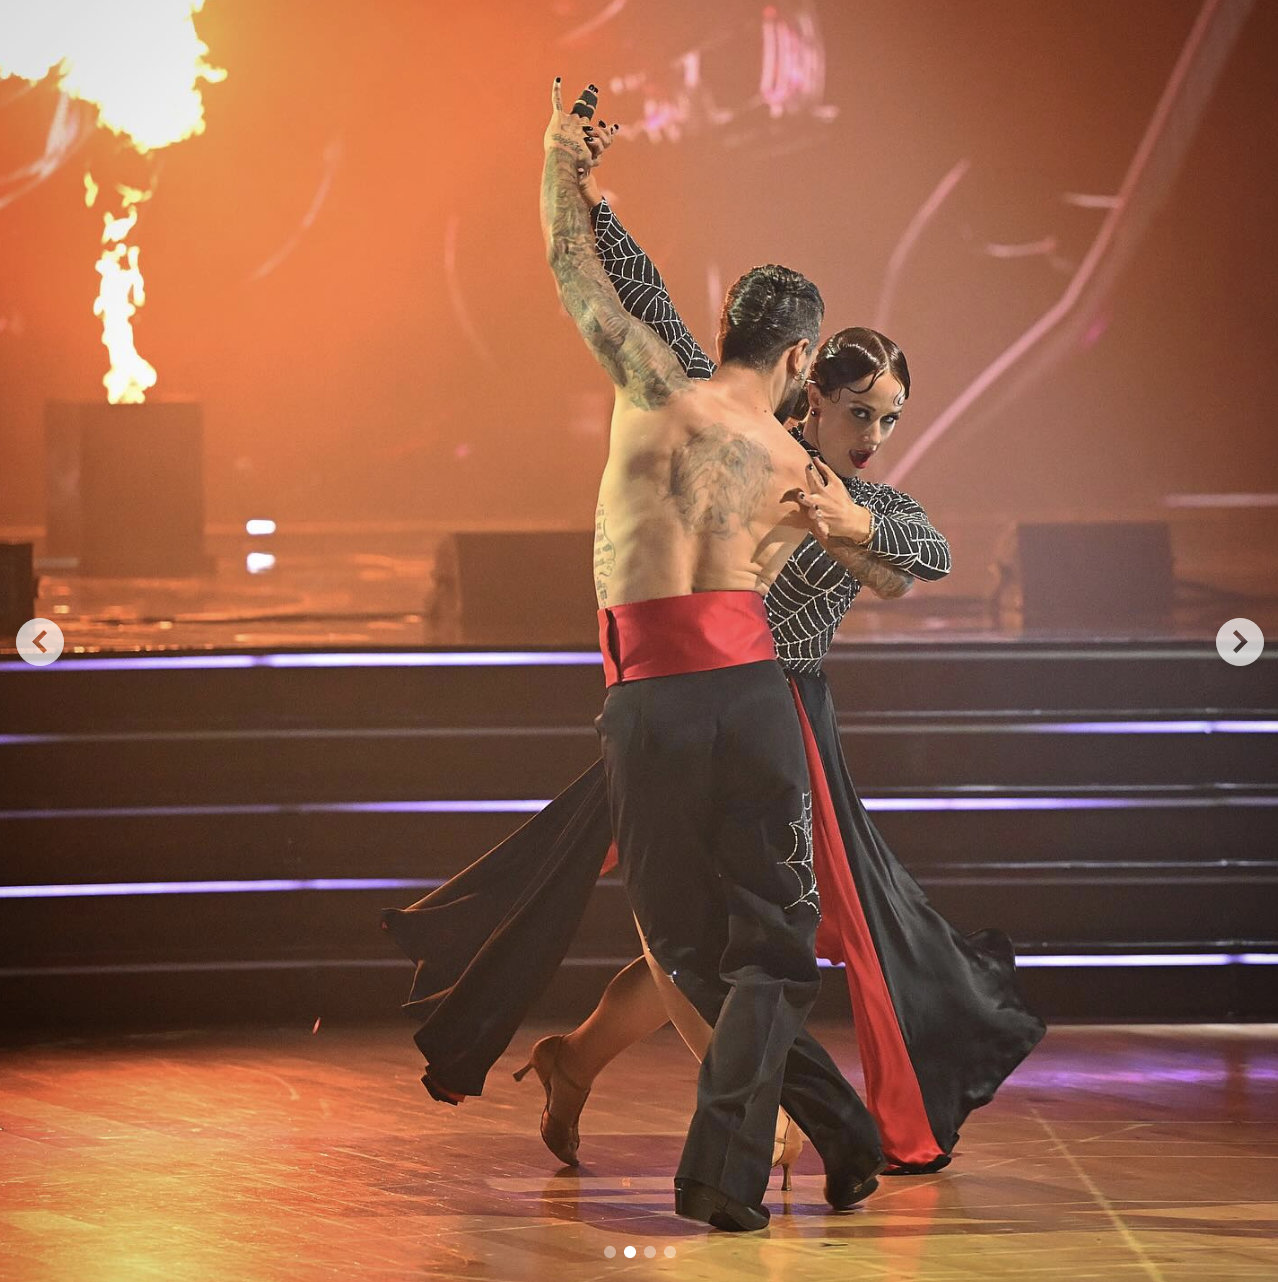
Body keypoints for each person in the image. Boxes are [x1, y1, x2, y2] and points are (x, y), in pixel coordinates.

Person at [381, 88, 1044, 1208]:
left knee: (734, 940)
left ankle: (706, 1108)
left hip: (743, 705)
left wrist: (856, 527)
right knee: (715, 939)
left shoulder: (807, 474)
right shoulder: (753, 436)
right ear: (806, 376)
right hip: (711, 695)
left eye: (891, 417)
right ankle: (763, 1116)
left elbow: (916, 557)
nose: (876, 434)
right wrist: (590, 195)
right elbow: (633, 291)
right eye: (862, 410)